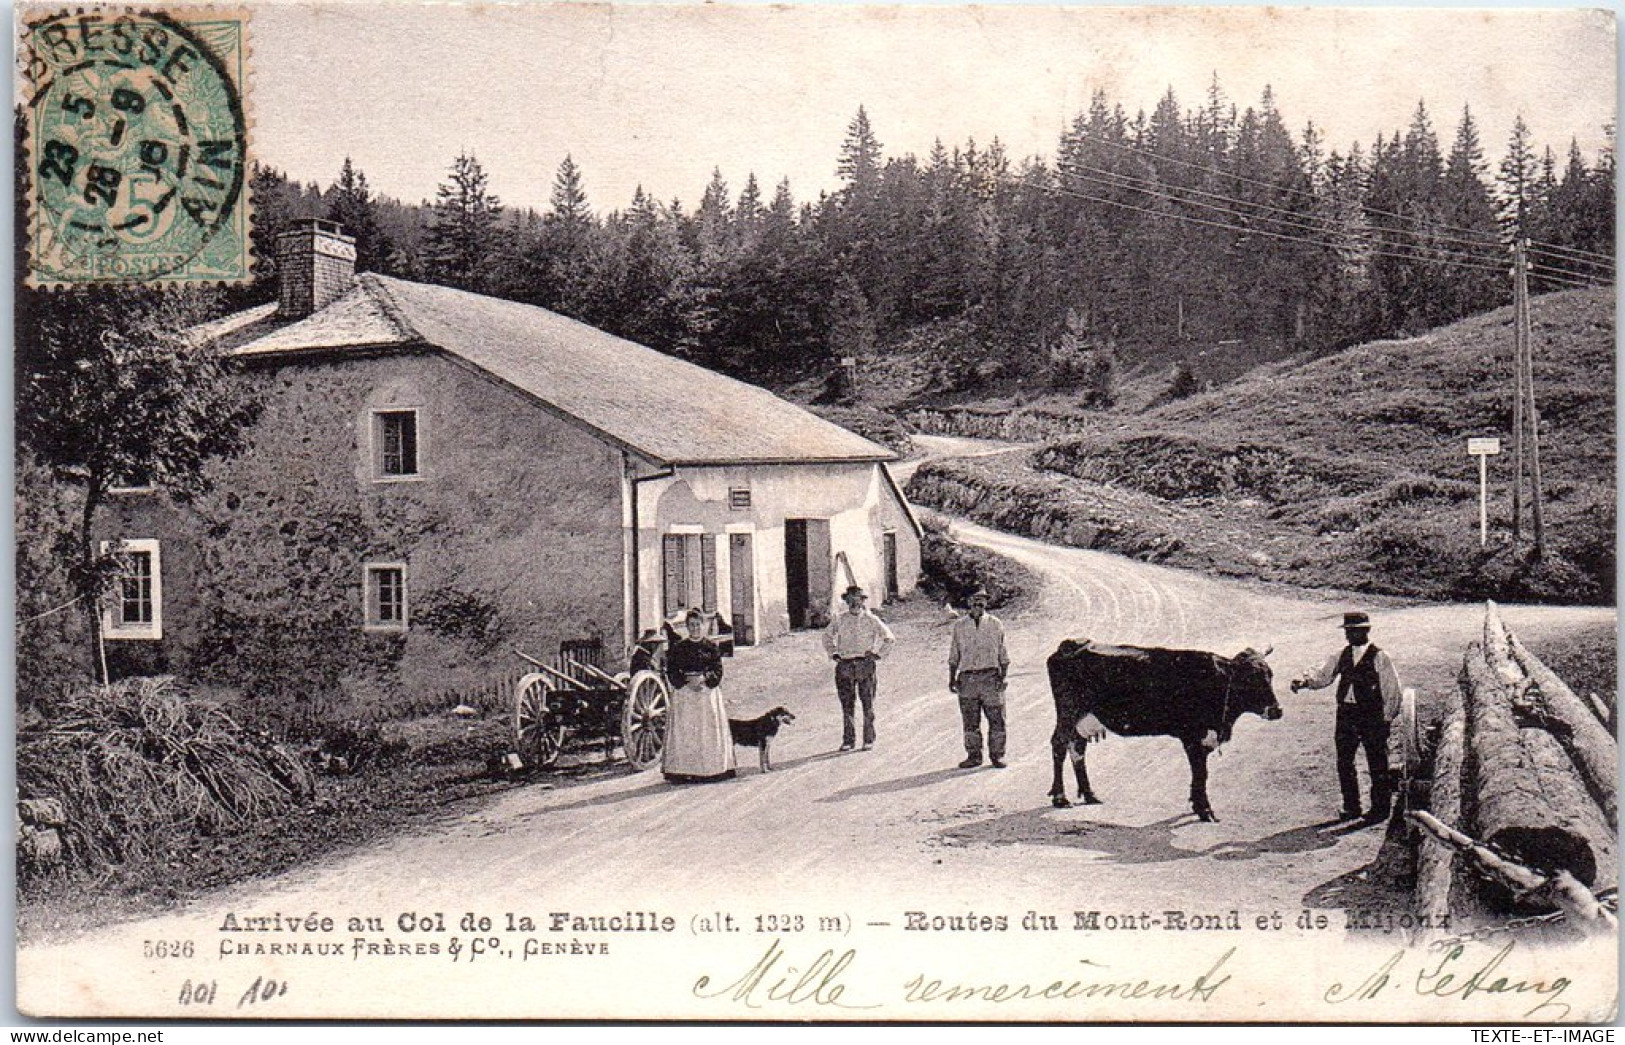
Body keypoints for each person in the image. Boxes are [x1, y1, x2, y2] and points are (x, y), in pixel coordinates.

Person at [1291, 611, 1402, 823]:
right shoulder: (1342, 655)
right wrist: (1304, 681)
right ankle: (1351, 807)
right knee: (1344, 762)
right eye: (1348, 631)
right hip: (1346, 715)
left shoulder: (1380, 657)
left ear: (1366, 631)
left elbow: (1392, 690)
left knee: (1376, 762)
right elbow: (1323, 674)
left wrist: (1386, 719)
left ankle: (1380, 809)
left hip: (1371, 716)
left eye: (1355, 631)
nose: (1350, 635)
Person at [661, 608, 736, 783]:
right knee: (687, 731)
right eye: (691, 625)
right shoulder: (680, 648)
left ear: (703, 626)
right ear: (687, 627)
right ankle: (685, 770)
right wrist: (685, 681)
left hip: (705, 693)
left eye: (697, 625)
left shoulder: (711, 648)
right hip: (686, 694)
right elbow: (671, 670)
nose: (695, 628)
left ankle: (712, 769)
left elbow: (717, 670)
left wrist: (704, 678)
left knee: (707, 730)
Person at [822, 584, 895, 751]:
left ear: (863, 602)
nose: (855, 603)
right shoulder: (839, 620)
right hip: (845, 665)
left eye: (858, 600)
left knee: (867, 703)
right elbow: (826, 637)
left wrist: (877, 654)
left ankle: (869, 739)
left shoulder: (871, 620)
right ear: (847, 601)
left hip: (865, 664)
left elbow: (889, 638)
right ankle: (848, 740)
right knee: (847, 705)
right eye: (851, 600)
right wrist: (833, 653)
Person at [949, 588, 1010, 769]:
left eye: (982, 600)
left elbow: (1003, 654)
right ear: (968, 602)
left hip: (990, 676)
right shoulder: (959, 626)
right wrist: (952, 678)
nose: (978, 604)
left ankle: (997, 755)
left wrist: (1003, 677)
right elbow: (954, 654)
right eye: (974, 600)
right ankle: (974, 755)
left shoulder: (995, 624)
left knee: (997, 718)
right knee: (970, 720)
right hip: (967, 678)